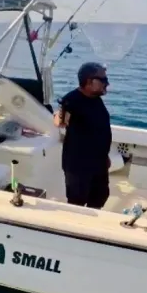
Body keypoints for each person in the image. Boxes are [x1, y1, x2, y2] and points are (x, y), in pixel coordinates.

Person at [53, 61, 112, 208]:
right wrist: (61, 114)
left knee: (99, 197)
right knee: (76, 203)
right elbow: (60, 122)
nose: (107, 83)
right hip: (78, 166)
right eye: (103, 80)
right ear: (89, 81)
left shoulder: (96, 99)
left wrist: (105, 157)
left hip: (98, 163)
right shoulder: (71, 100)